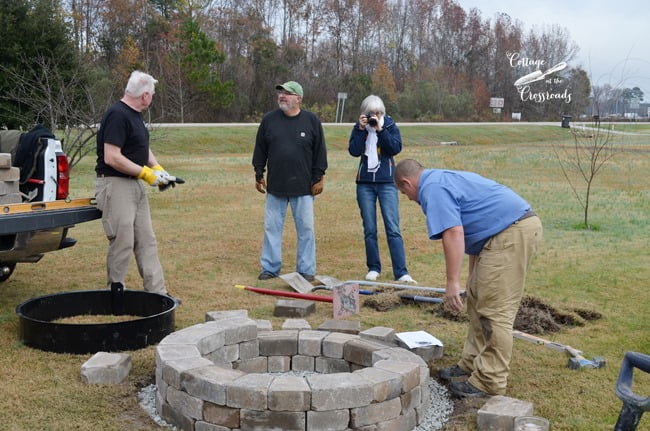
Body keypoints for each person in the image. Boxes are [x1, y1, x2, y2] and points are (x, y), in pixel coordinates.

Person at [394, 159, 543, 398]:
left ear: (406, 182)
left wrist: (452, 283)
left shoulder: (432, 188)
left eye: (404, 193)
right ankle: (472, 362)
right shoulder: (440, 178)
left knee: (495, 310)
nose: (409, 199)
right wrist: (471, 279)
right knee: (476, 298)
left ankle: (489, 380)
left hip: (511, 233)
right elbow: (475, 233)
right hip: (498, 234)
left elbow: (453, 232)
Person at [95, 70, 179, 301]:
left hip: (135, 185)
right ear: (144, 96)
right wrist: (145, 173)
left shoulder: (135, 116)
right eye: (151, 94)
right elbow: (112, 157)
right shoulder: (117, 115)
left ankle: (158, 294)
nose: (152, 98)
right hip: (115, 185)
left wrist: (158, 169)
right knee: (122, 240)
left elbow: (140, 147)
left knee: (146, 240)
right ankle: (116, 294)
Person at [252, 81, 327, 281]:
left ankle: (306, 270)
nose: (282, 96)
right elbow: (260, 148)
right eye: (281, 93)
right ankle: (270, 268)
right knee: (272, 229)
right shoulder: (269, 120)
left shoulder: (311, 121)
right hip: (276, 186)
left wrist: (319, 177)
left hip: (304, 187)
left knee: (306, 230)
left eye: (288, 93)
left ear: (299, 98)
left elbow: (320, 151)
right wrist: (259, 173)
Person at [348, 95, 416, 284]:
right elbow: (353, 151)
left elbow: (395, 148)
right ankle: (373, 268)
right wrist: (362, 130)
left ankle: (401, 272)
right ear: (364, 113)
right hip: (365, 184)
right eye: (371, 113)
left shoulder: (390, 125)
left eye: (378, 113)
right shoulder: (359, 127)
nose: (375, 116)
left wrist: (380, 129)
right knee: (369, 228)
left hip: (387, 182)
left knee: (392, 227)